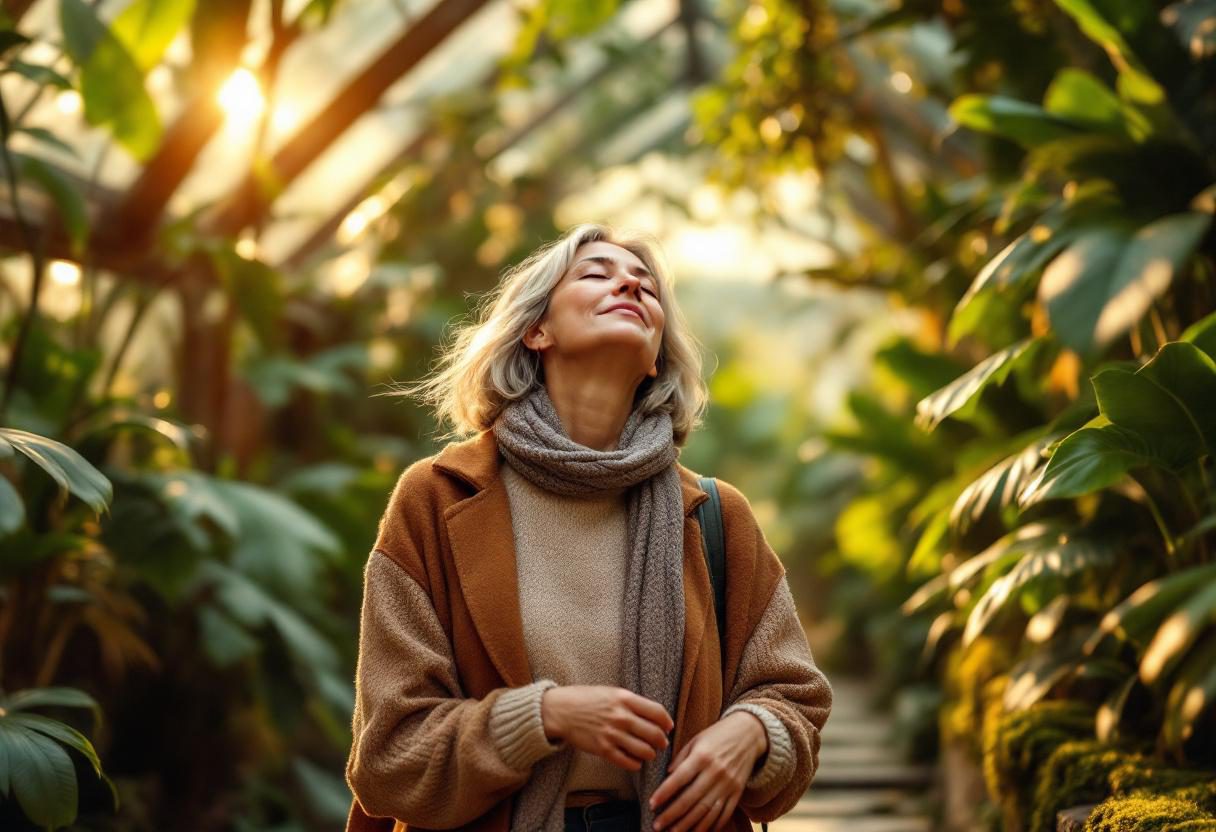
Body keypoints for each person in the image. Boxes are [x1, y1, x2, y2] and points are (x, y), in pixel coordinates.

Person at [344, 223, 833, 832]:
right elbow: (389, 752)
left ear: (654, 358)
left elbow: (795, 696)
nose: (629, 284)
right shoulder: (437, 498)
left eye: (645, 285)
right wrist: (543, 717)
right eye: (597, 274)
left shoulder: (715, 515)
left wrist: (752, 733)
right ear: (536, 331)